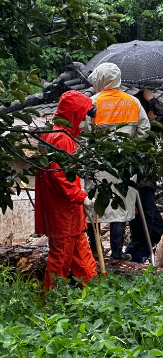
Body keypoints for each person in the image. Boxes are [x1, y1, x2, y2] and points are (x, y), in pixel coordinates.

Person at [85, 62, 150, 264]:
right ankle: (117, 252)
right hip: (124, 163)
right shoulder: (132, 102)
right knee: (120, 206)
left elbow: (83, 130)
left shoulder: (92, 102)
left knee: (94, 205)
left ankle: (96, 252)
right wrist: (131, 144)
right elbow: (144, 129)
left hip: (98, 163)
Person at [35, 90, 98, 290]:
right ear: (75, 114)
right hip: (63, 212)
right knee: (60, 259)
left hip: (68, 213)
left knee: (82, 257)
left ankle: (94, 294)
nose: (85, 121)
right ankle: (50, 302)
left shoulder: (53, 134)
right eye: (84, 115)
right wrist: (82, 197)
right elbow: (60, 176)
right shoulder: (61, 138)